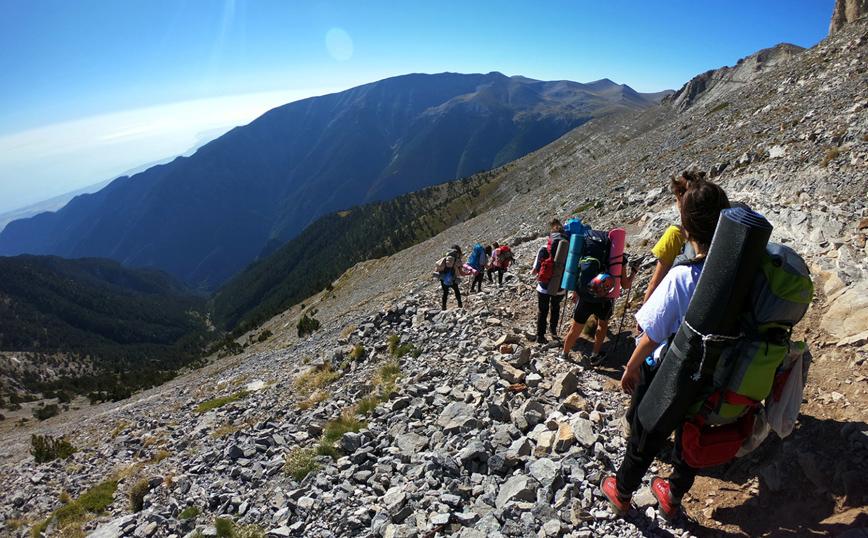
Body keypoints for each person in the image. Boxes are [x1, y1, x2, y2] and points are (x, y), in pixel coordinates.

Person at [602, 175, 731, 520]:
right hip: (712, 374)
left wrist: (631, 366)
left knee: (645, 433)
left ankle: (623, 491)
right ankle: (672, 497)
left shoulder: (682, 276)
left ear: (686, 229)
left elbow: (652, 334)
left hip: (669, 372)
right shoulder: (734, 274)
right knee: (689, 435)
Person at [561, 249, 636, 366]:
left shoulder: (589, 252)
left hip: (585, 296)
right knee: (602, 325)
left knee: (575, 328)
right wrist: (634, 272)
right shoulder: (619, 258)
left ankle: (564, 354)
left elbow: (580, 274)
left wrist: (576, 292)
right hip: (604, 300)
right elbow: (625, 285)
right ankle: (595, 356)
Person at [531, 220, 568, 344]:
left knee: (543, 310)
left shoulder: (544, 248)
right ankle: (553, 330)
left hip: (543, 286)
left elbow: (535, 271)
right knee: (555, 307)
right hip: (560, 286)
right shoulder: (568, 250)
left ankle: (540, 336)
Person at [438, 245, 471, 310]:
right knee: (456, 291)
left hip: (443, 278)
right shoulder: (457, 260)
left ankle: (444, 307)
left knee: (445, 293)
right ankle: (460, 304)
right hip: (453, 278)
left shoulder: (445, 258)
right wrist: (468, 274)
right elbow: (461, 273)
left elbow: (438, 268)